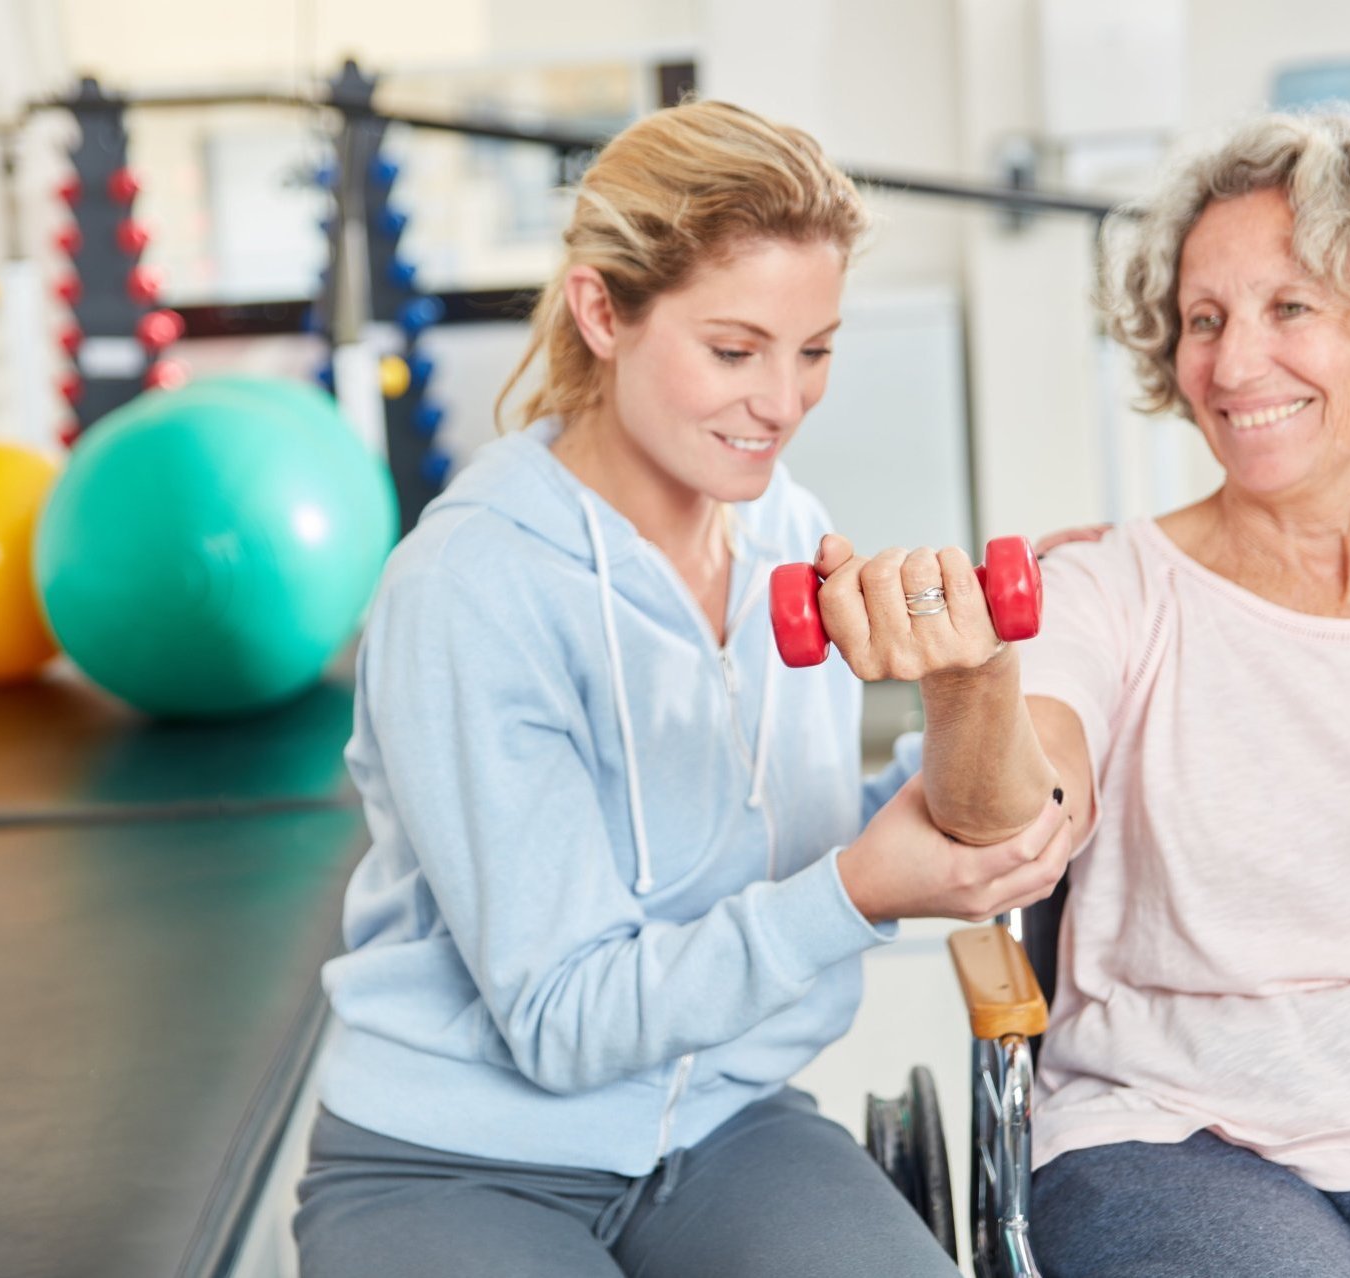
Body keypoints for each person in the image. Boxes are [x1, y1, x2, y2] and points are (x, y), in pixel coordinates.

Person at [289, 99, 1074, 1278]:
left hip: (724, 1129)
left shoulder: (786, 534)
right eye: (734, 349)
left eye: (814, 351)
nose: (784, 401)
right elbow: (563, 1022)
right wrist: (860, 891)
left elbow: (819, 829)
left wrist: (970, 686)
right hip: (457, 1155)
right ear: (602, 310)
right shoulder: (470, 589)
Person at [811, 110, 1350, 1276]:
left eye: (1290, 309)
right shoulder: (1107, 590)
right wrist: (976, 685)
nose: (1229, 362)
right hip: (1172, 1137)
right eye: (1203, 320)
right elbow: (1012, 818)